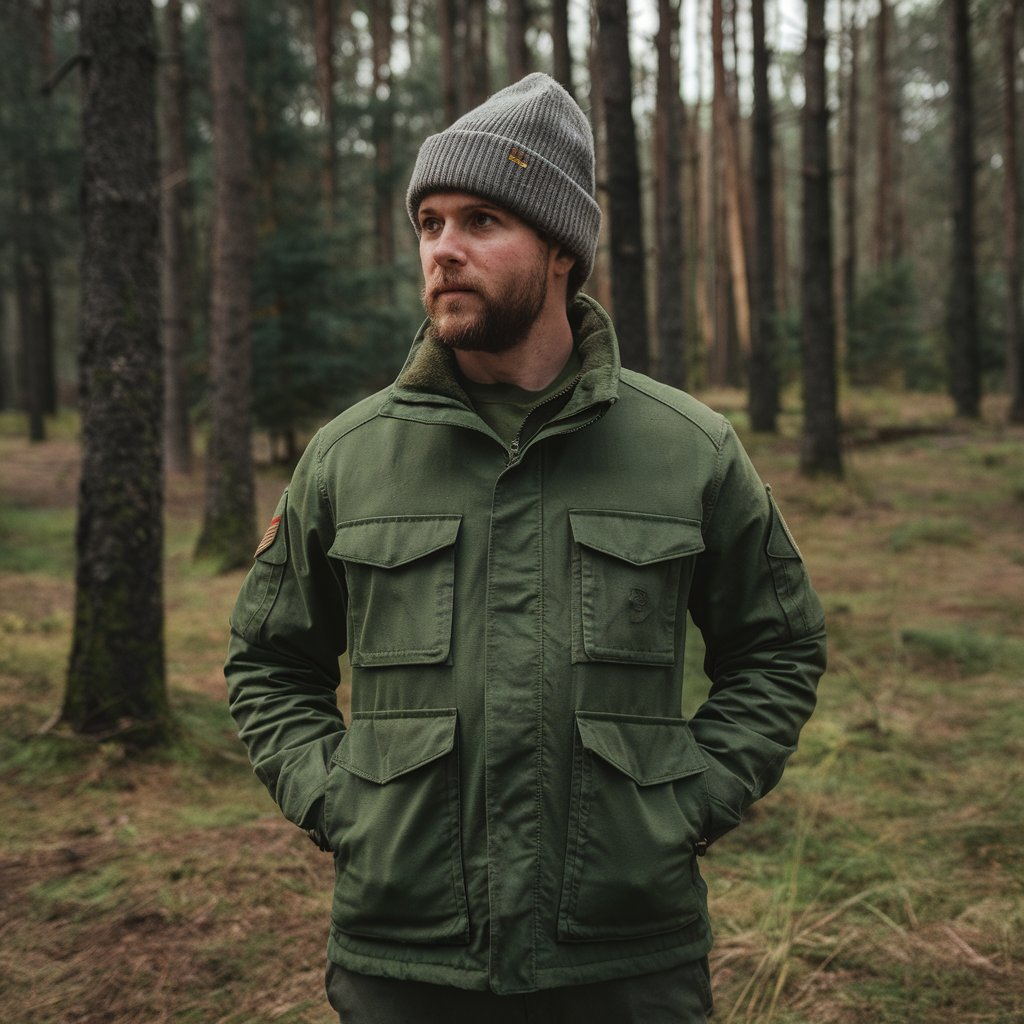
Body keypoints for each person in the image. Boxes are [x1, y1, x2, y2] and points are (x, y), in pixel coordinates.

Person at [225, 73, 827, 1024]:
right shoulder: (351, 457)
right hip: (407, 955)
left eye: (481, 220)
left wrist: (688, 802)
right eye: (428, 223)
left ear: (559, 250)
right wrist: (342, 805)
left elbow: (778, 647)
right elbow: (269, 659)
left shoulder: (688, 450)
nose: (444, 250)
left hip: (623, 956)